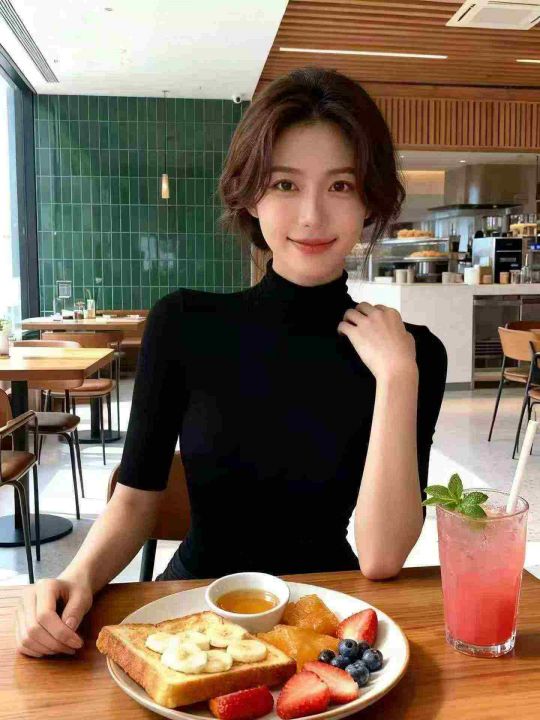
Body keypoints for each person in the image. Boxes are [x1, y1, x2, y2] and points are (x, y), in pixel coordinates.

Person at [16, 67, 447, 658]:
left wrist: (397, 378)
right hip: (194, 611)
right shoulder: (184, 324)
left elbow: (380, 557)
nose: (311, 216)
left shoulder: (410, 353)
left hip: (327, 622)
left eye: (341, 185)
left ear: (370, 199)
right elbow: (136, 499)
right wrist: (77, 577)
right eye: (285, 184)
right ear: (250, 194)